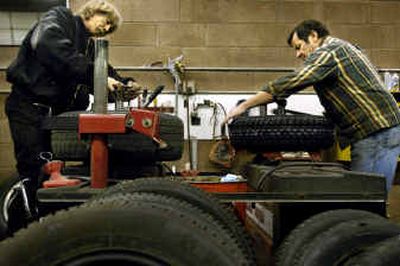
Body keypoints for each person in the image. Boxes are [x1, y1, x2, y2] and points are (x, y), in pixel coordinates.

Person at [225, 19, 400, 192]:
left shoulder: (329, 51)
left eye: (299, 46)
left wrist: (244, 106)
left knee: (367, 195)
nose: (298, 54)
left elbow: (292, 82)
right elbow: (341, 106)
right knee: (364, 194)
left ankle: (370, 220)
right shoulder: (341, 50)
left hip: (377, 131)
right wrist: (318, 142)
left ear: (313, 36)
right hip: (375, 130)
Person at [5, 0, 140, 211]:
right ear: (93, 11)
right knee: (34, 167)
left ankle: (47, 219)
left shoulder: (90, 47)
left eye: (109, 28)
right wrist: (98, 77)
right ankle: (25, 224)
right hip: (28, 107)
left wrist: (124, 84)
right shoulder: (60, 18)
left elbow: (103, 71)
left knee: (53, 170)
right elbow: (47, 43)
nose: (105, 28)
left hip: (54, 114)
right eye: (106, 22)